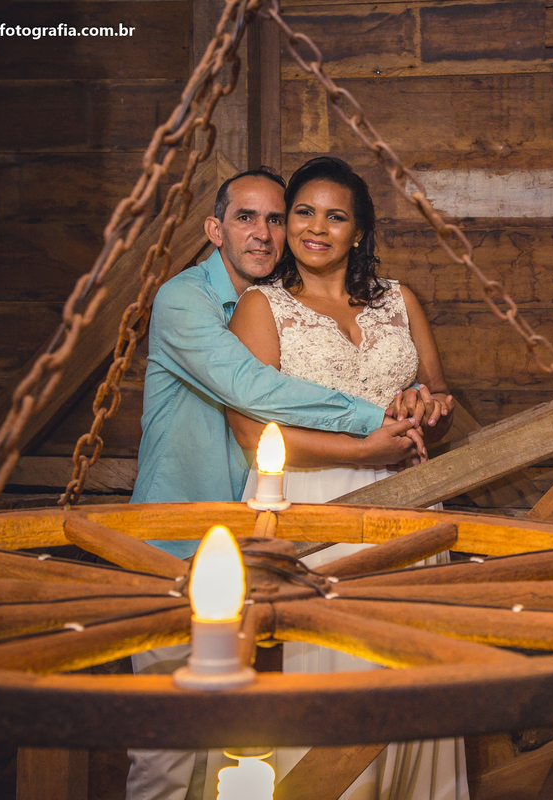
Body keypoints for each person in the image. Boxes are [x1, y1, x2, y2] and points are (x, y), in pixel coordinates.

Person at [126, 166, 430, 800]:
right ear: (214, 229)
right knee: (169, 742)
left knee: (242, 725)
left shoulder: (274, 302)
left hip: (262, 537)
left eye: (273, 217)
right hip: (181, 535)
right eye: (245, 218)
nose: (263, 233)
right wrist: (373, 418)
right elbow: (252, 390)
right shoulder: (184, 300)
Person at [225, 156, 463, 800]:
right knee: (329, 673)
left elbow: (441, 398)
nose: (315, 227)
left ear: (358, 232)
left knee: (405, 669)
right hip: (308, 504)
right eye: (303, 212)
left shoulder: (399, 300)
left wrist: (427, 409)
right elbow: (250, 433)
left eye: (335, 216)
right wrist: (363, 453)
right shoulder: (261, 307)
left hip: (408, 505)